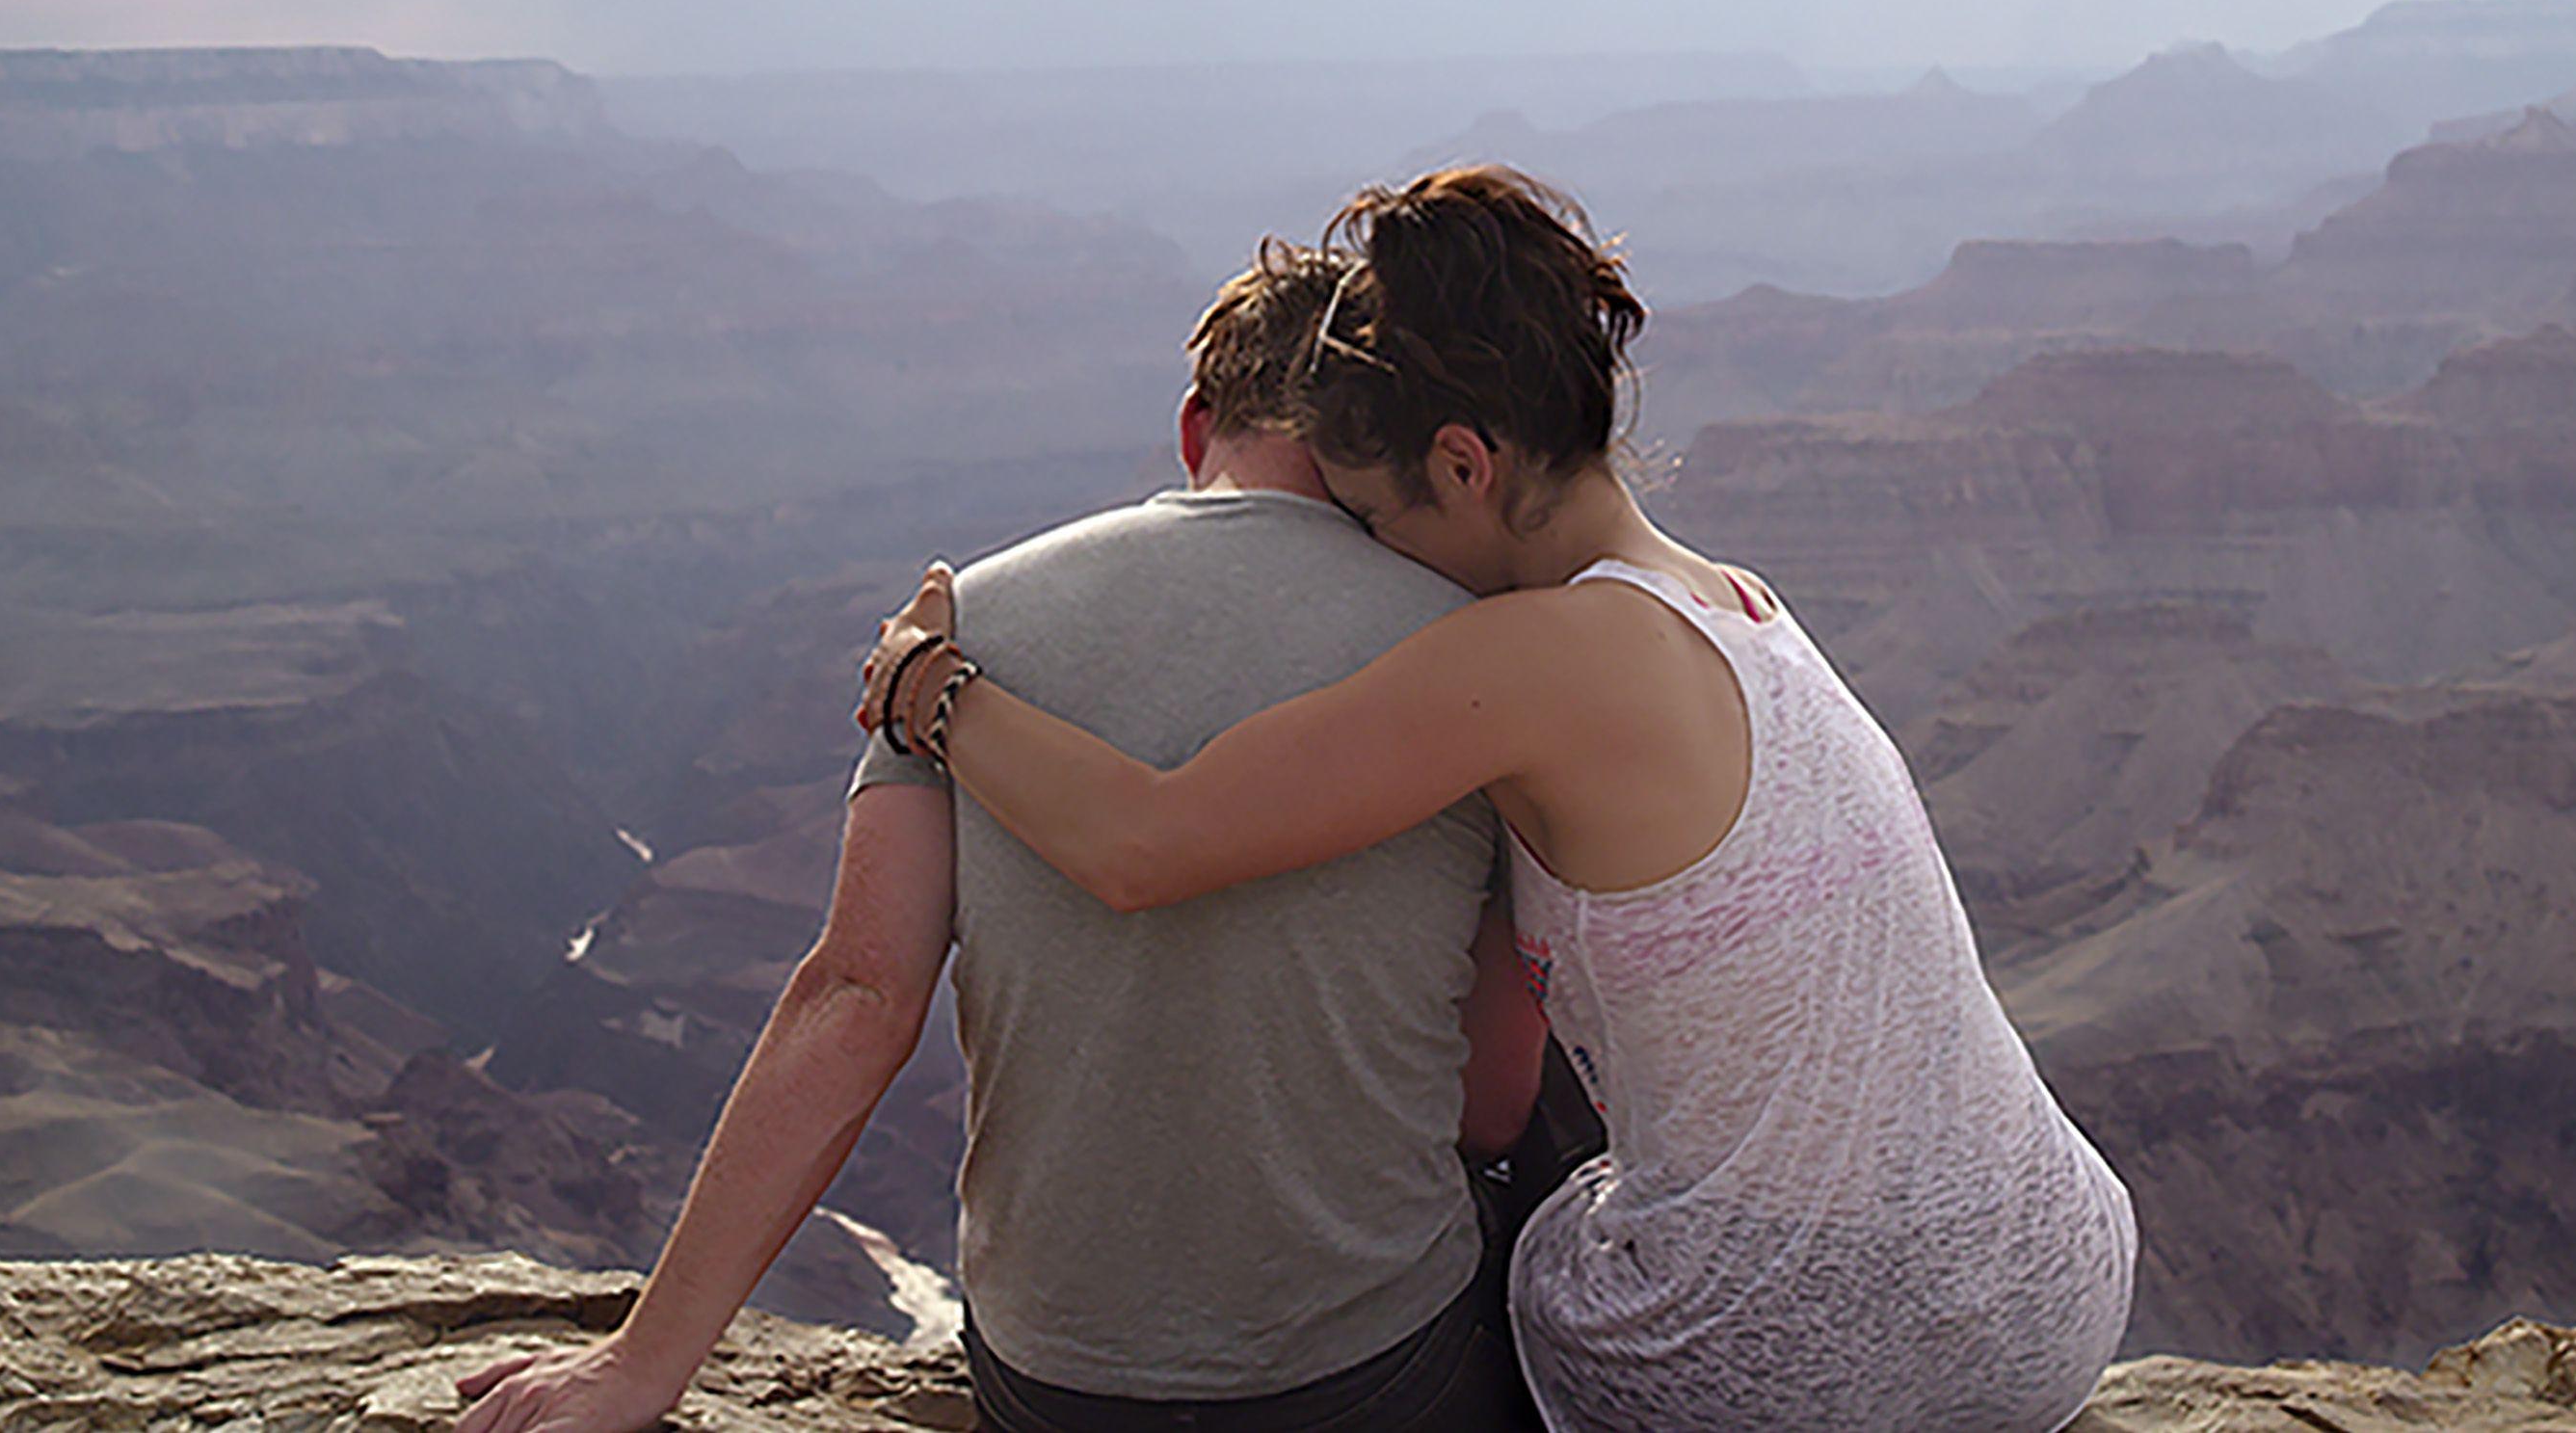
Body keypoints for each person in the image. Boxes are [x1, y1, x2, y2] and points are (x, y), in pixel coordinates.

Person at [856, 165, 2138, 1433]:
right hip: (2048, 1289)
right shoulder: (1739, 604)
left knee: (1436, 1250)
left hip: (1786, 1356)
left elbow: (1143, 841)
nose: (1374, 559)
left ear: (1464, 463)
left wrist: (935, 688)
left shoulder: (1535, 661)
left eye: (1371, 515)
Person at [455, 241, 1551, 1433]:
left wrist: (643, 1362)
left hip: (1060, 1376)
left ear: (1197, 427)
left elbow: (855, 995)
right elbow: (1490, 1103)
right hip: (1374, 1367)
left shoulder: (962, 628)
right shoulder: (1477, 660)